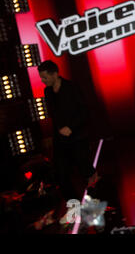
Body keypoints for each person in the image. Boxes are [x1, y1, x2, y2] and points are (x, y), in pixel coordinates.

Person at [38, 61, 98, 203]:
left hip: (77, 137)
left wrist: (71, 127)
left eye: (45, 77)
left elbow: (84, 111)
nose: (42, 80)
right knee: (61, 174)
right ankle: (74, 207)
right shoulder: (47, 91)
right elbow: (54, 115)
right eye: (41, 77)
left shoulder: (71, 88)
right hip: (60, 140)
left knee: (85, 169)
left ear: (55, 74)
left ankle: (96, 202)